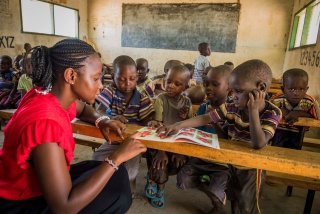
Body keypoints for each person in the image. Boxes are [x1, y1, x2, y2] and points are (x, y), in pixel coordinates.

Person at [0, 38, 146, 213]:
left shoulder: (47, 94)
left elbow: (82, 109)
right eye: (96, 78)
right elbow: (64, 207)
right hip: (19, 201)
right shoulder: (45, 123)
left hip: (31, 181)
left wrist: (102, 120)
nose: (101, 86)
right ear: (71, 76)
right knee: (117, 194)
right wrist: (117, 157)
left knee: (117, 175)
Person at [157, 59, 282, 214]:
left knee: (247, 206)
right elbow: (205, 118)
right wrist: (177, 125)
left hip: (252, 169)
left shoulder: (272, 112)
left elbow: (259, 143)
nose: (234, 96)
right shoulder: (232, 107)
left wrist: (253, 110)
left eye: (239, 91)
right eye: (233, 91)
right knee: (235, 200)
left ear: (261, 88)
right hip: (231, 162)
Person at [92, 55, 155, 195]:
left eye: (132, 79)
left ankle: (126, 184)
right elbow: (100, 111)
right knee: (95, 160)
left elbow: (146, 121)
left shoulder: (142, 97)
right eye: (121, 79)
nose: (127, 83)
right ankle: (112, 182)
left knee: (130, 173)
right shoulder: (110, 91)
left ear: (137, 77)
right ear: (114, 76)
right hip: (114, 139)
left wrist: (151, 122)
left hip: (133, 141)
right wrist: (111, 117)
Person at [176, 65, 232, 214]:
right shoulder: (203, 107)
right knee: (182, 180)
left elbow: (229, 139)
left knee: (215, 191)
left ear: (229, 87)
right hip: (201, 158)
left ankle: (218, 203)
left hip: (222, 162)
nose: (208, 88)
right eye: (206, 83)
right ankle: (207, 183)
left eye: (215, 84)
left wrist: (214, 120)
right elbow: (194, 131)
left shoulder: (233, 110)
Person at [146, 64, 193, 208]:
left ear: (185, 87)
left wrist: (184, 117)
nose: (170, 86)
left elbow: (188, 129)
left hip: (177, 144)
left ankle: (153, 178)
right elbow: (159, 127)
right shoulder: (161, 99)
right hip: (159, 143)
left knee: (181, 164)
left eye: (177, 84)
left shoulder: (187, 102)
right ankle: (159, 188)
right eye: (168, 81)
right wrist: (161, 151)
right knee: (160, 164)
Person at [270, 68, 320, 149]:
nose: (296, 93)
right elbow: (266, 112)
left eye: (301, 89)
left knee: (294, 151)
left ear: (306, 89)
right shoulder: (276, 99)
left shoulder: (310, 101)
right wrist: (281, 111)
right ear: (283, 89)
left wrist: (298, 113)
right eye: (292, 89)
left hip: (299, 132)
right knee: (276, 149)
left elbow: (318, 116)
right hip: (279, 131)